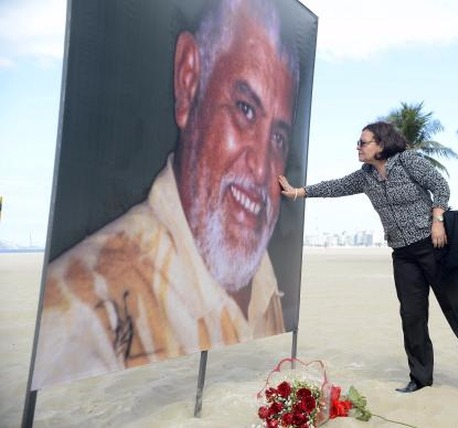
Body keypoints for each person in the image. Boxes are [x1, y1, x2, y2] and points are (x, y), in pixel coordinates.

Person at [32, 0, 299, 389]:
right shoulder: (80, 318)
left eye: (278, 137)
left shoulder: (265, 277)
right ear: (188, 82)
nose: (261, 169)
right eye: (244, 109)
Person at [278, 121, 458, 401]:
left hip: (434, 246)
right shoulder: (365, 176)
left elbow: (440, 186)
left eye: (363, 142)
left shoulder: (408, 161)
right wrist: (298, 192)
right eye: (359, 143)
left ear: (381, 145)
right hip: (403, 254)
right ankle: (421, 377)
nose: (358, 147)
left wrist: (437, 220)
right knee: (412, 316)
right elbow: (335, 187)